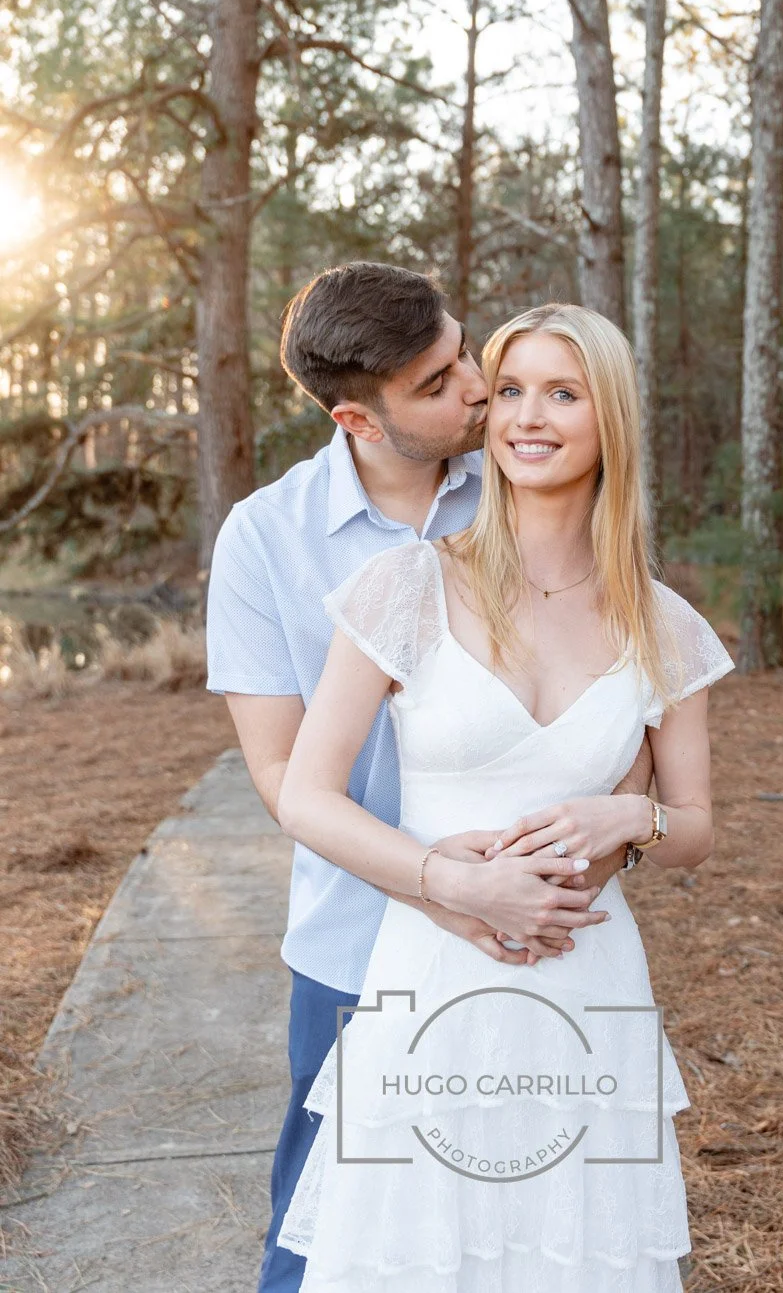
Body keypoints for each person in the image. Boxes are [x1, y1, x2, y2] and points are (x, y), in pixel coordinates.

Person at [273, 303, 735, 1290]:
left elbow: (693, 825)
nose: (526, 415)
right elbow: (307, 796)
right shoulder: (405, 586)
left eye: (562, 393)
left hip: (586, 980)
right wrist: (451, 883)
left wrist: (632, 816)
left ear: (610, 417)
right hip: (430, 977)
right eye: (511, 389)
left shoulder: (666, 625)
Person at [206, 265, 646, 1293]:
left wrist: (598, 847)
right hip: (355, 948)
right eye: (442, 380)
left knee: (518, 1229)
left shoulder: (525, 476)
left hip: (535, 947)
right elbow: (281, 776)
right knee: (325, 1248)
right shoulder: (266, 540)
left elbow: (620, 689)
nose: (481, 391)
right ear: (360, 416)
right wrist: (438, 884)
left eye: (467, 354)